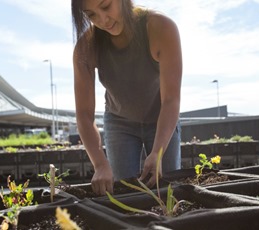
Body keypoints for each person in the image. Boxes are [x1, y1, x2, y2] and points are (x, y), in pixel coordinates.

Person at [71, 0, 183, 195]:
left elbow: (171, 100)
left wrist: (157, 152)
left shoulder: (162, 29)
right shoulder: (85, 48)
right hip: (119, 122)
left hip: (161, 118)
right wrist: (99, 164)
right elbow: (84, 115)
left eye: (106, 6)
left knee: (167, 190)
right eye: (91, 15)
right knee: (126, 193)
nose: (103, 20)